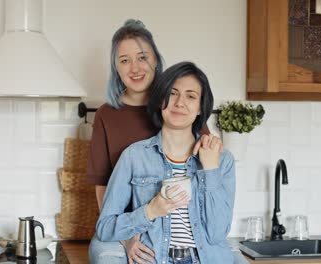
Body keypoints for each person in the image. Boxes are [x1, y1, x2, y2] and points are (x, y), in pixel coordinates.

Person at [87, 20, 214, 264]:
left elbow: (207, 169)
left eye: (142, 57)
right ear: (116, 68)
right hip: (126, 226)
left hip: (179, 227)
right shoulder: (106, 115)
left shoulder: (178, 108)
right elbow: (102, 186)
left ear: (156, 60)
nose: (134, 68)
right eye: (124, 60)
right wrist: (127, 236)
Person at [96, 61, 237, 264]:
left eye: (191, 96)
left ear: (199, 108)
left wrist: (210, 169)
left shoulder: (222, 161)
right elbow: (105, 228)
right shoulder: (134, 157)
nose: (179, 102)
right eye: (172, 93)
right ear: (160, 99)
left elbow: (217, 234)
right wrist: (150, 211)